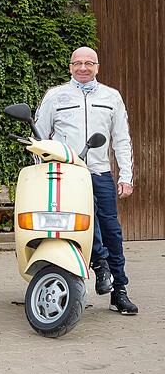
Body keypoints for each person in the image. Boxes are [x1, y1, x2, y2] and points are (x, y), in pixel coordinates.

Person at [35, 46, 137, 315]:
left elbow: (122, 139)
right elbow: (40, 138)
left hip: (99, 172)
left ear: (97, 67)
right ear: (69, 66)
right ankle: (99, 263)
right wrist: (41, 174)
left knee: (111, 230)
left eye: (89, 63)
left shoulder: (111, 97)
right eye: (77, 63)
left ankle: (120, 291)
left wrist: (126, 175)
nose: (83, 68)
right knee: (79, 223)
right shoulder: (55, 96)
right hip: (66, 173)